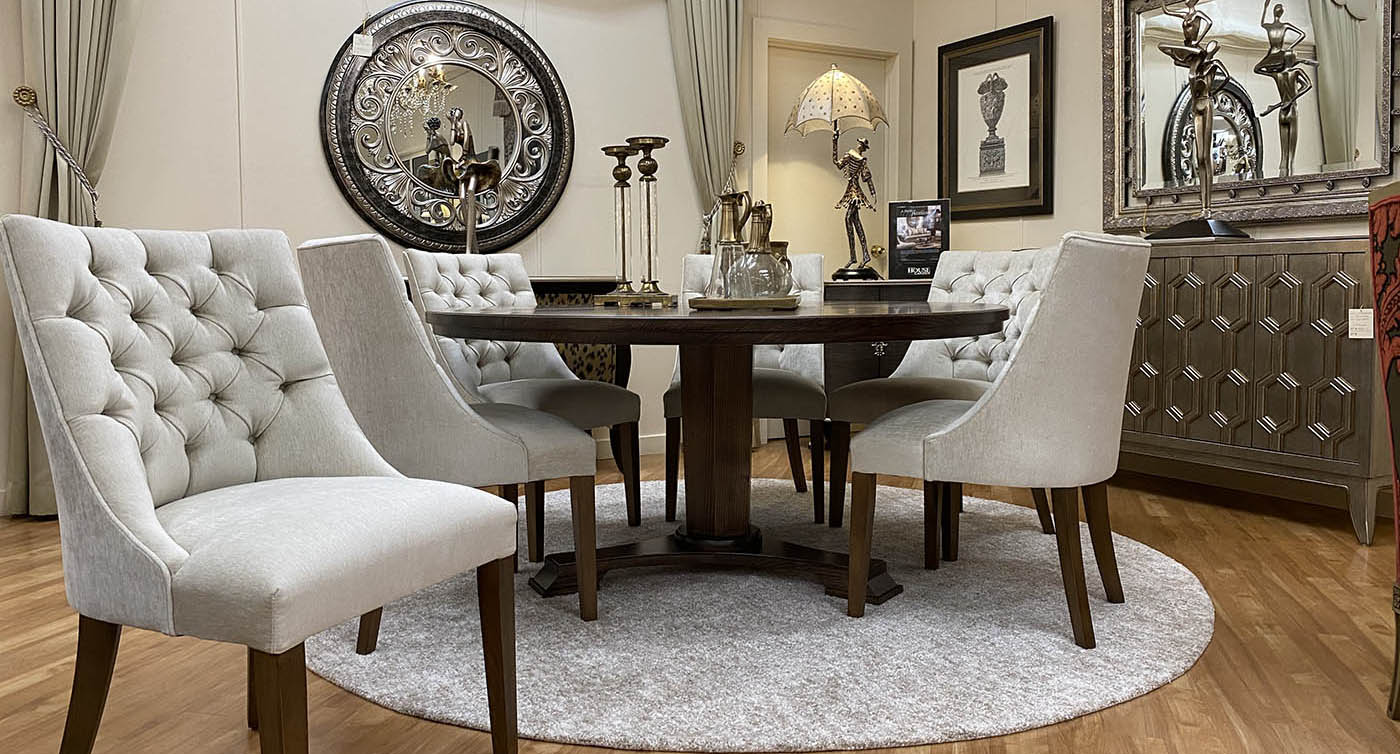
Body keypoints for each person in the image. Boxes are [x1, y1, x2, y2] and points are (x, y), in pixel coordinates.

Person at [833, 133, 877, 269]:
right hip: (850, 189)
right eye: (860, 144)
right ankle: (862, 255)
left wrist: (873, 193)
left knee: (848, 219)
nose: (860, 146)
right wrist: (834, 142)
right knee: (856, 223)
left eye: (862, 145)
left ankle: (855, 256)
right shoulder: (850, 154)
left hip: (855, 193)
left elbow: (867, 178)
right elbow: (838, 164)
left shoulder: (862, 161)